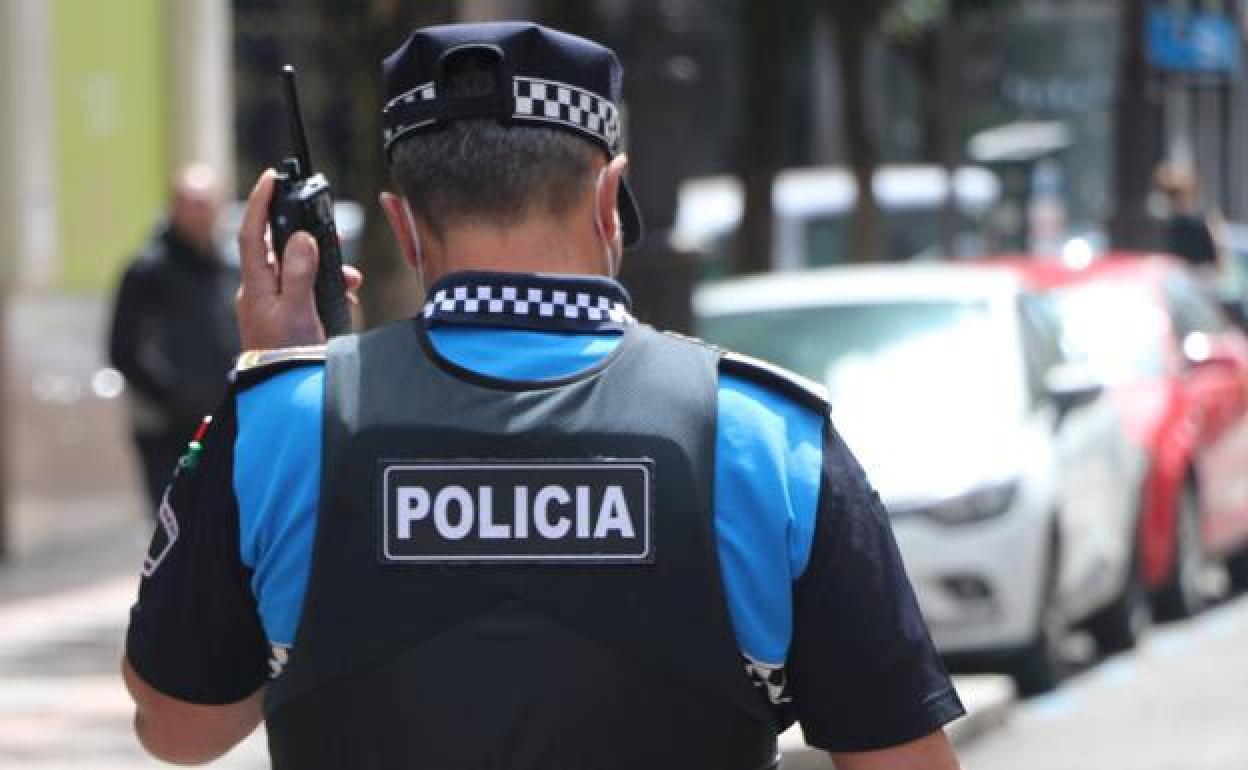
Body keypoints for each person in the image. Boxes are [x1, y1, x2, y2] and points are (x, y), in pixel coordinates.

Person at [122, 22, 964, 770]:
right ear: (608, 199)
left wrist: (274, 379)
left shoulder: (280, 425)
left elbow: (178, 729)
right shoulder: (765, 436)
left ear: (402, 222)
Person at [108, 163, 241, 515]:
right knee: (175, 523)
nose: (198, 213)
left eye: (205, 203)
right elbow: (124, 348)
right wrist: (170, 396)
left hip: (224, 422)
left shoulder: (229, 268)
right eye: (189, 203)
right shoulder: (146, 271)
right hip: (167, 431)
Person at [1154, 160, 1228, 280]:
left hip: (1199, 283)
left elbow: (1218, 265)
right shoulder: (1160, 226)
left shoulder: (1204, 223)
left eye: (1176, 194)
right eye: (1171, 194)